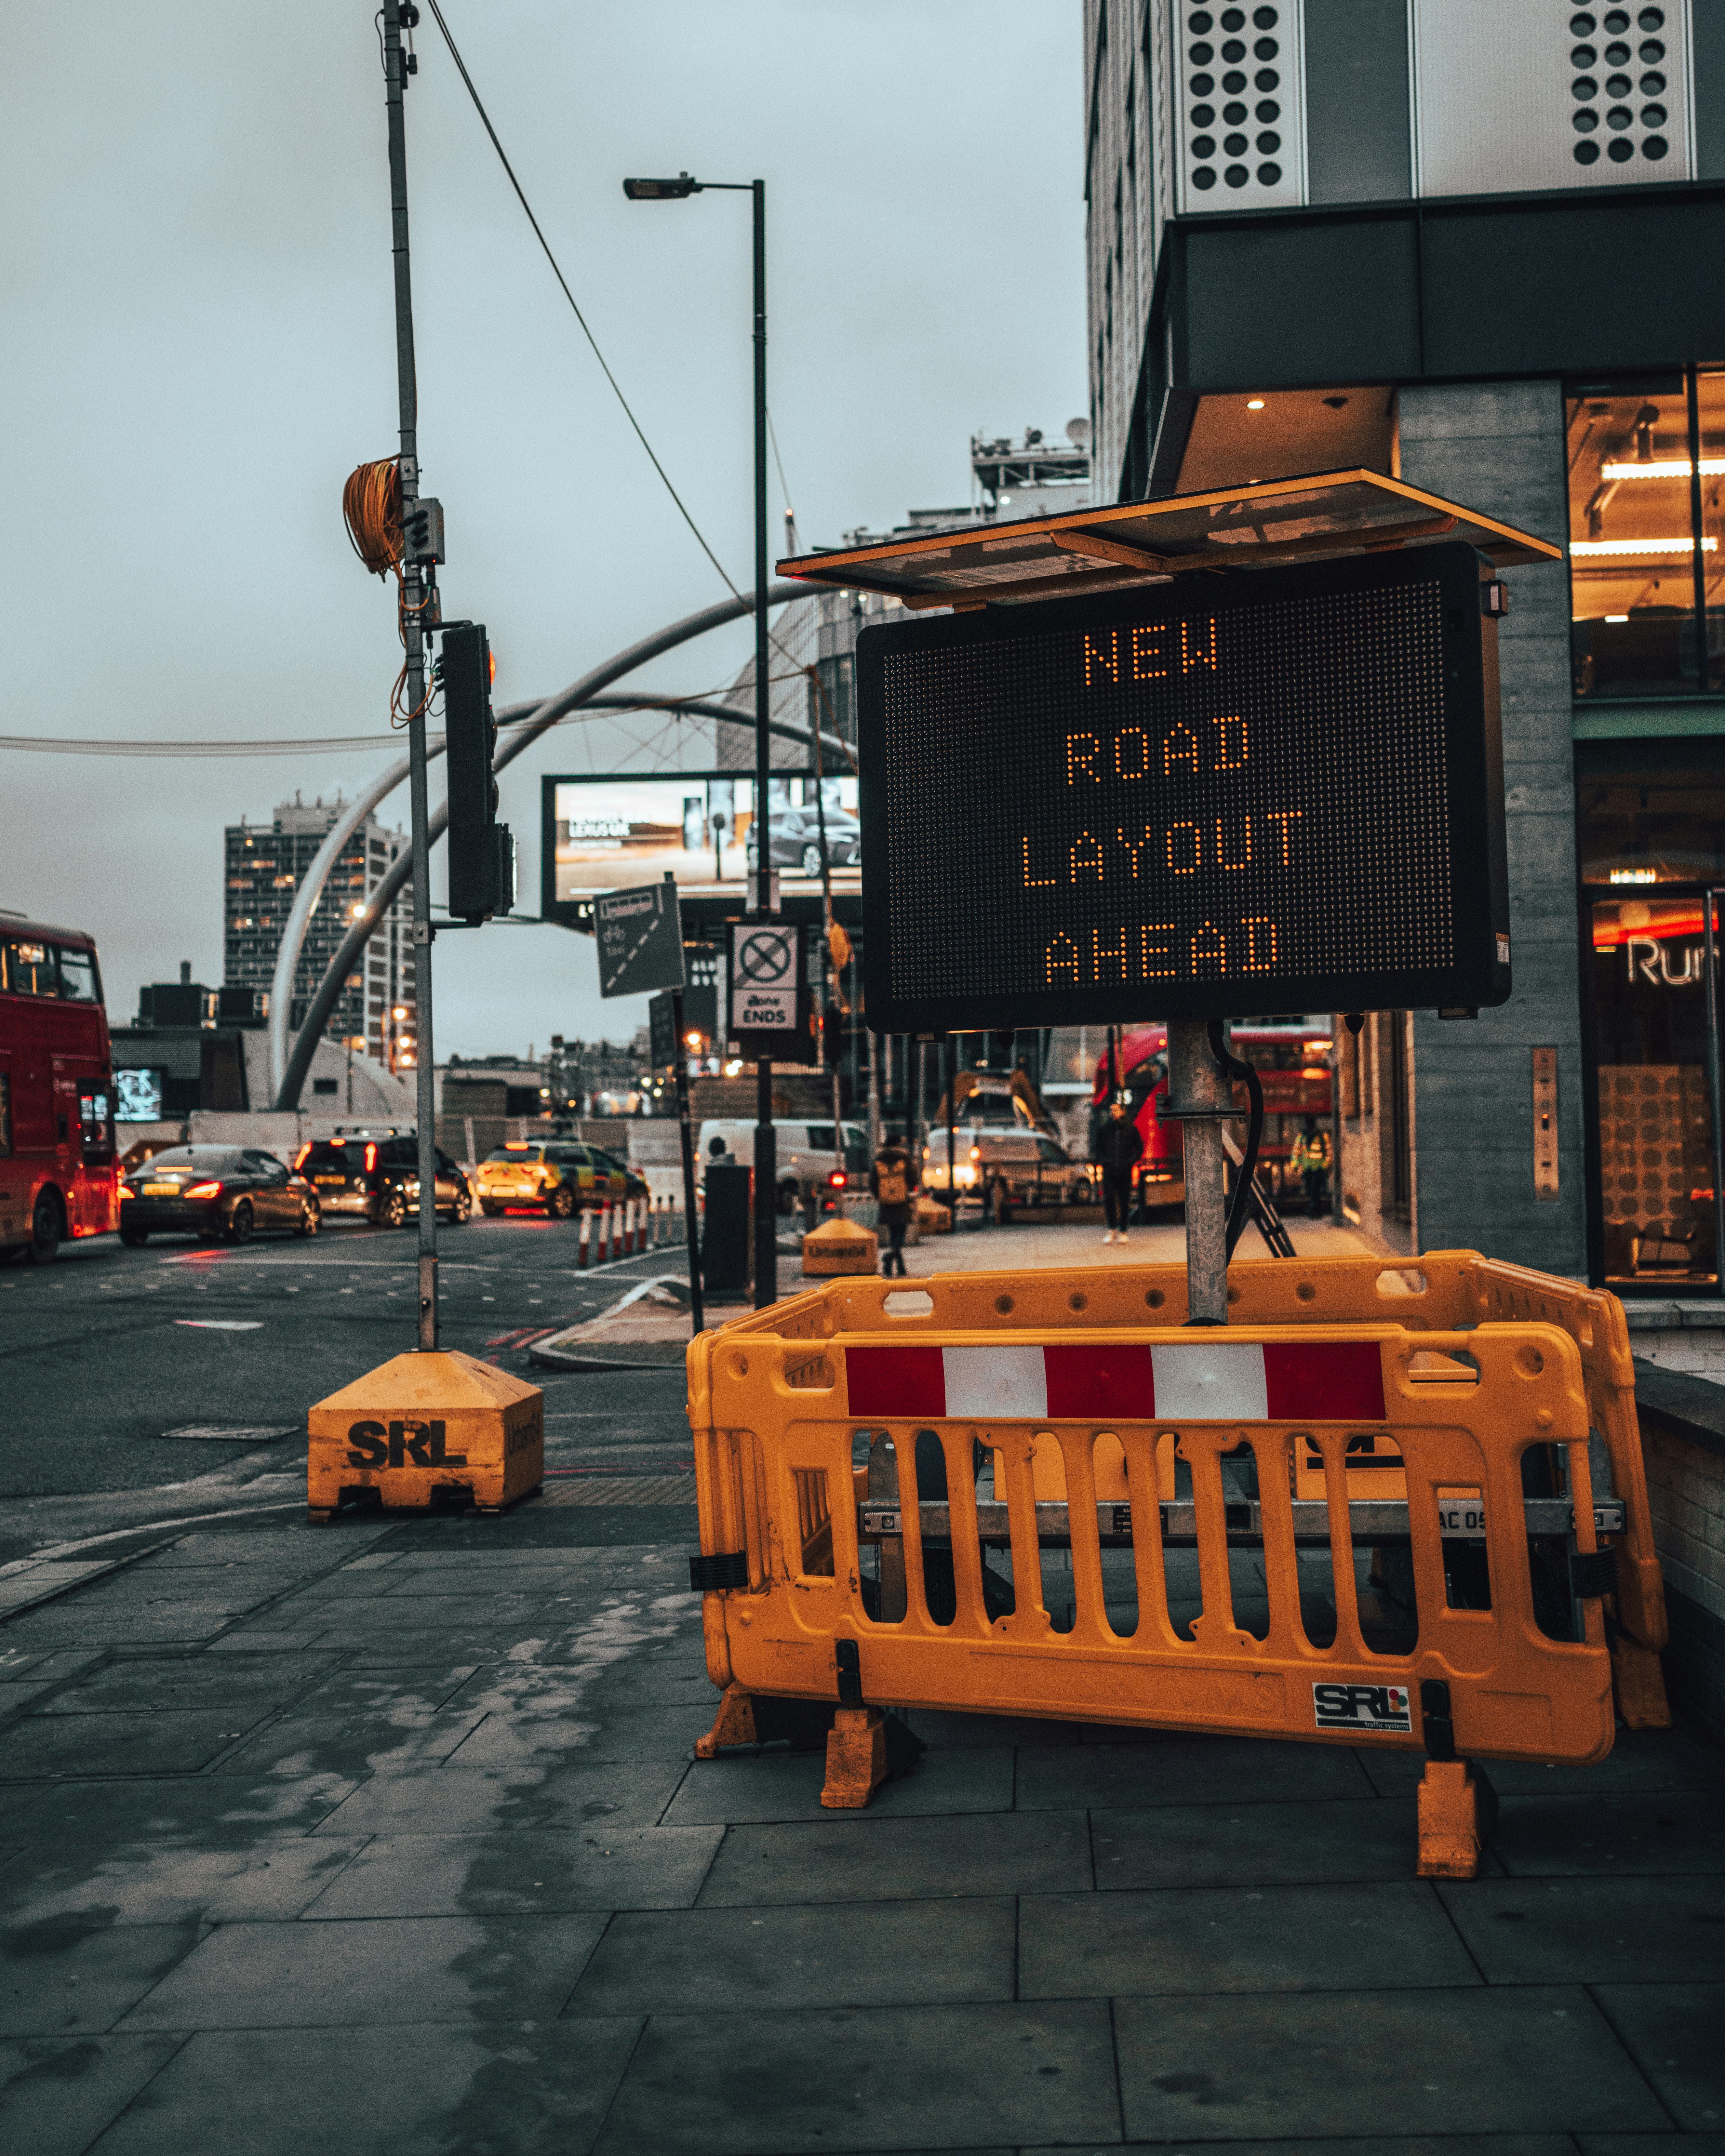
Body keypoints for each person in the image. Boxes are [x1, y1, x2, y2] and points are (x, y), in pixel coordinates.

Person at [1092, 1095, 1143, 1245]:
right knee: (1109, 1200)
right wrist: (1105, 1162)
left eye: (1116, 1110)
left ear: (1122, 1112)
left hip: (1125, 1171)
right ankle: (1112, 1229)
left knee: (1124, 1200)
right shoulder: (1103, 1131)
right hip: (1109, 1171)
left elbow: (1139, 1149)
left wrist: (1129, 1162)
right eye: (1111, 1110)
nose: (1113, 1113)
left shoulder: (1131, 1130)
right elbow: (1098, 1150)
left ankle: (1123, 1231)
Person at [870, 1136, 918, 1277]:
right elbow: (914, 1179)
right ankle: (890, 1257)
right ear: (898, 1144)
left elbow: (872, 1183)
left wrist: (881, 1196)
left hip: (886, 1202)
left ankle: (896, 1267)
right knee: (900, 1233)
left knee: (893, 1233)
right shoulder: (904, 1158)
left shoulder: (878, 1160)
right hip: (902, 1200)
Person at [1290, 1116, 1332, 1218]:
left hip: (1319, 1169)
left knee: (1315, 1190)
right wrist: (1295, 1164)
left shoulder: (1322, 1137)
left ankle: (1313, 1210)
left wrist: (1325, 1166)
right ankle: (1316, 1211)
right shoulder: (1302, 1137)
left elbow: (1329, 1153)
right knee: (1311, 1191)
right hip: (1307, 1169)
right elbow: (1297, 1152)